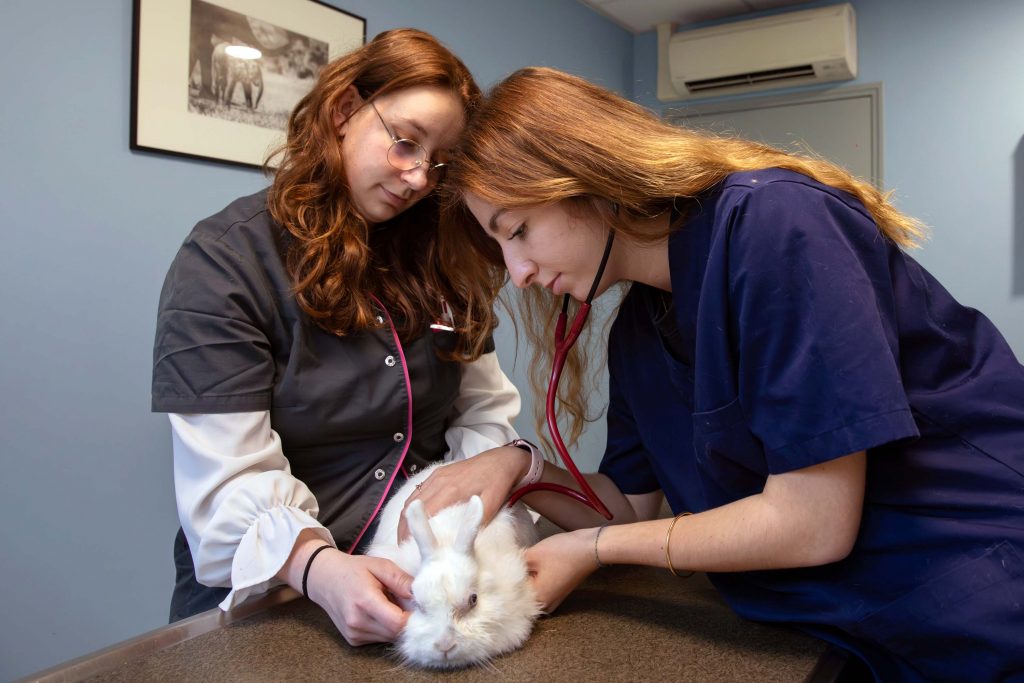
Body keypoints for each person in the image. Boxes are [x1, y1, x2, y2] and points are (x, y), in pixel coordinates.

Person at [433, 67, 1024, 682]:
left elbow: (812, 522)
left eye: (518, 231)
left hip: (983, 582)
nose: (518, 272)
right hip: (852, 625)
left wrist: (591, 551)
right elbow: (628, 509)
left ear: (588, 175)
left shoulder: (776, 222)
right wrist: (520, 466)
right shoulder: (638, 329)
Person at [151, 29, 524, 647]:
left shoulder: (445, 263)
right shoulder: (224, 261)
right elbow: (224, 484)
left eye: (439, 164)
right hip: (275, 596)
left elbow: (484, 418)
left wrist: (461, 534)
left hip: (420, 594)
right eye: (405, 143)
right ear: (343, 110)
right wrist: (316, 567)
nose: (417, 179)